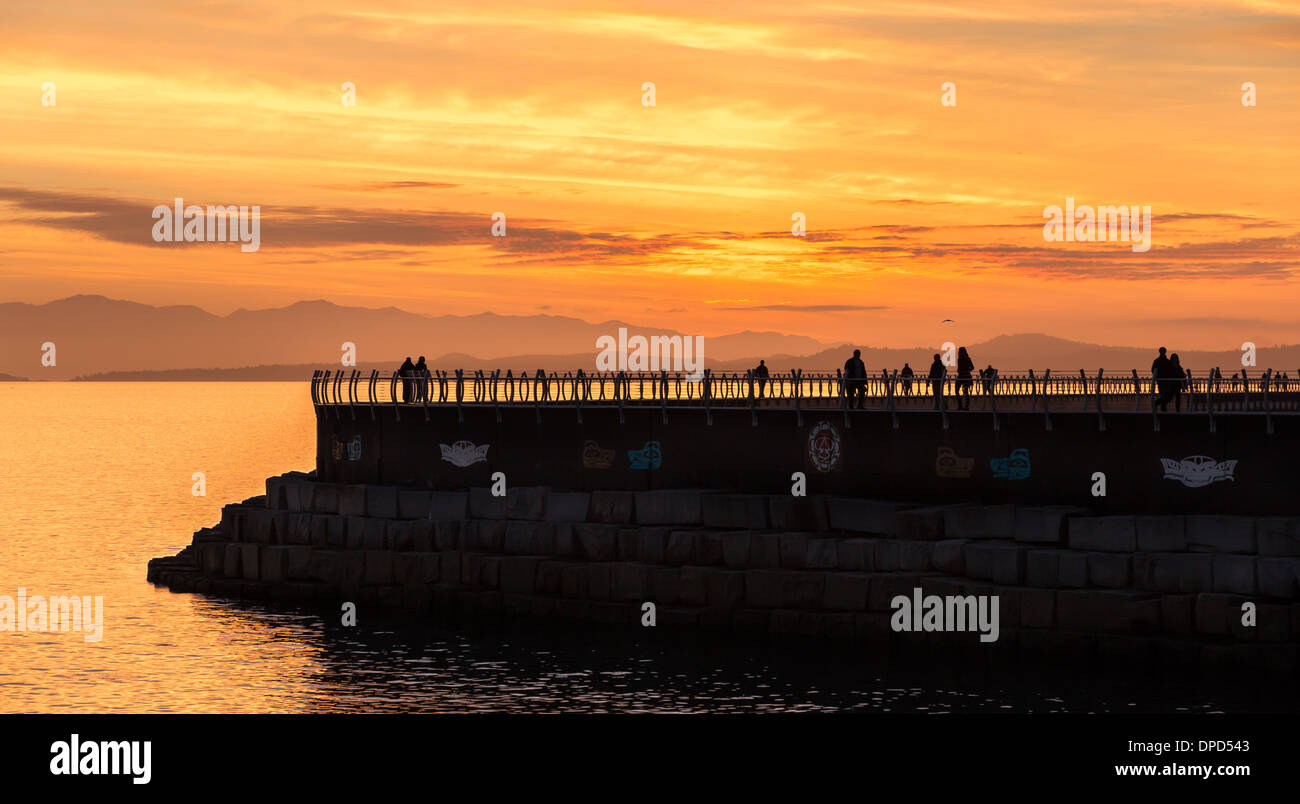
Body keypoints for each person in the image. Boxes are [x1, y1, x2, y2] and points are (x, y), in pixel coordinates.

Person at [1151, 346, 1171, 411]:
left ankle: (1156, 404)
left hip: (1166, 381)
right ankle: (1163, 409)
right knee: (1163, 395)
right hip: (1161, 381)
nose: (1163, 352)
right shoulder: (1158, 361)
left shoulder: (1167, 361)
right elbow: (1153, 370)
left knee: (1167, 396)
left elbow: (1153, 370)